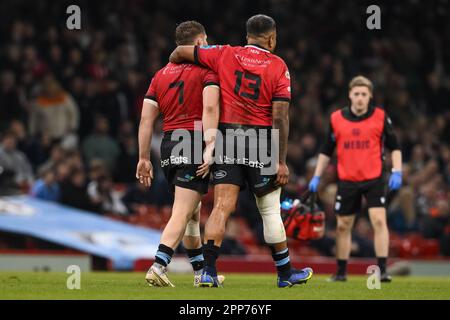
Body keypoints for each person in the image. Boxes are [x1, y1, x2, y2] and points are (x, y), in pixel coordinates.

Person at [169, 14, 313, 288]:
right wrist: (281, 161)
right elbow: (280, 117)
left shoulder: (223, 53)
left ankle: (209, 272)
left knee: (222, 207)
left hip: (228, 136)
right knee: (269, 210)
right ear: (271, 38)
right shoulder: (278, 65)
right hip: (260, 139)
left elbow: (179, 51)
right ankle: (284, 275)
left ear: (247, 36)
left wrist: (177, 68)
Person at [136, 21, 222, 287]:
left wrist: (143, 158)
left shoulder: (160, 75)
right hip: (193, 140)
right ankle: (159, 264)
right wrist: (210, 145)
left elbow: (146, 121)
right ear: (198, 43)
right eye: (205, 40)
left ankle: (199, 273)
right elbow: (209, 110)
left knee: (192, 215)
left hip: (169, 143)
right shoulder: (206, 71)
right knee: (183, 211)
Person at [308, 75, 402, 282]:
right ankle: (341, 272)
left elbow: (395, 147)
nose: (360, 98)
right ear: (350, 95)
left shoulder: (380, 117)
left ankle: (382, 270)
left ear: (370, 96)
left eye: (364, 94)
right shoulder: (336, 119)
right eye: (357, 94)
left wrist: (397, 170)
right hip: (348, 180)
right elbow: (326, 150)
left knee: (379, 220)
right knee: (343, 226)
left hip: (374, 178)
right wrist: (317, 176)